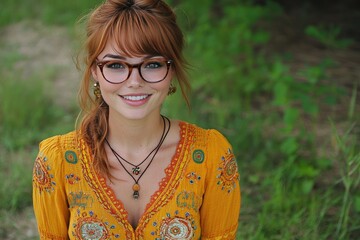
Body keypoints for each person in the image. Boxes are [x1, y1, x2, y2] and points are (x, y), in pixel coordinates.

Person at [32, 0, 241, 239]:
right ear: (95, 71)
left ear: (171, 70)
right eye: (116, 65)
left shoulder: (211, 155)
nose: (134, 81)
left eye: (152, 64)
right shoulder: (57, 160)